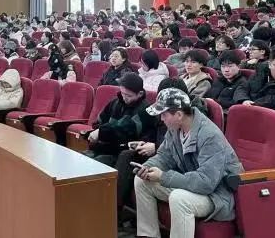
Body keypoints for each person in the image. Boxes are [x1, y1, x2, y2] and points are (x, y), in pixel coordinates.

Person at [134, 88, 243, 238]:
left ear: (179, 115)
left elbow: (206, 182)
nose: (161, 119)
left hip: (216, 195)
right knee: (142, 180)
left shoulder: (210, 136)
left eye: (164, 114)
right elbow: (164, 156)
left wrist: (163, 177)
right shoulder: (175, 128)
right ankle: (148, 235)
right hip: (191, 185)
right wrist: (147, 167)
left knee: (179, 198)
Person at [115, 78, 209, 222]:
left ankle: (114, 211)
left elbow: (184, 152)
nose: (161, 117)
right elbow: (159, 136)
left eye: (164, 114)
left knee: (128, 158)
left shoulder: (197, 124)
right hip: (161, 152)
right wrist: (146, 143)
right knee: (130, 160)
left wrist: (156, 148)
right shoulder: (167, 115)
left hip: (185, 168)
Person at [84, 73, 156, 166]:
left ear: (140, 94)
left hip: (123, 153)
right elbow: (99, 122)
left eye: (129, 95)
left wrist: (101, 132)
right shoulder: (115, 103)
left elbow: (123, 129)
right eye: (122, 93)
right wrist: (96, 132)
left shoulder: (145, 110)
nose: (124, 98)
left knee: (93, 164)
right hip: (104, 148)